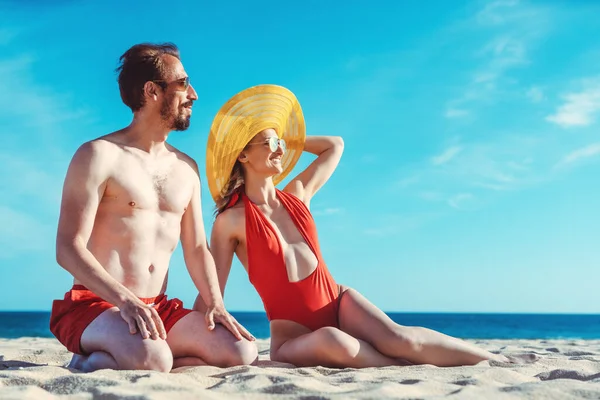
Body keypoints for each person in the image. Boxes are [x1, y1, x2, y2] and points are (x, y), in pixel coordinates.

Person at [202, 84, 538, 368]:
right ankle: (401, 369)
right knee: (337, 343)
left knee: (401, 338)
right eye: (269, 144)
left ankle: (492, 361)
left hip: (338, 301)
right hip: (292, 338)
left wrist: (286, 139)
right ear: (243, 156)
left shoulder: (298, 194)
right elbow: (211, 288)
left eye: (279, 145)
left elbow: (335, 145)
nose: (278, 152)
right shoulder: (231, 221)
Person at [50, 43, 257, 373]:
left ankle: (117, 357)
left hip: (156, 307)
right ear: (152, 91)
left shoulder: (186, 168)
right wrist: (125, 300)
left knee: (241, 351)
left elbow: (197, 248)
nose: (195, 95)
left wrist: (215, 303)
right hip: (96, 304)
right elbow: (68, 248)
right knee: (153, 359)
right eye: (184, 84)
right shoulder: (98, 155)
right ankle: (104, 354)